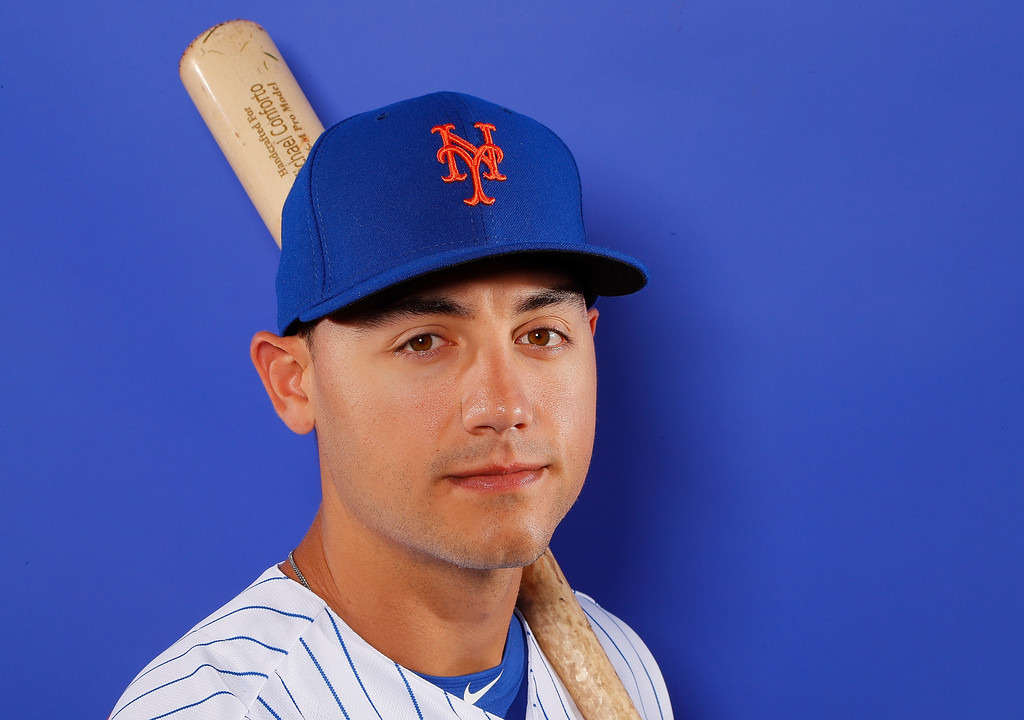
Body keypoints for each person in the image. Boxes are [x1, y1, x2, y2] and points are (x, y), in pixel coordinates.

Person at [111, 91, 672, 719]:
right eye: (424, 342)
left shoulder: (622, 663)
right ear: (295, 382)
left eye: (541, 335)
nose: (504, 405)